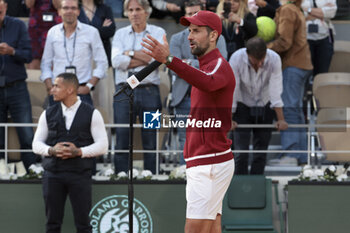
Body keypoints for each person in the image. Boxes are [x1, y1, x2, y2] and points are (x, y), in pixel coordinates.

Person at [142, 10, 235, 233]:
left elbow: (208, 82)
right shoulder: (206, 66)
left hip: (208, 162)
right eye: (189, 31)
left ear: (213, 36)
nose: (189, 36)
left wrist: (169, 60)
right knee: (211, 228)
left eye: (196, 31)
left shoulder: (218, 66)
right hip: (207, 161)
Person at [32, 72, 108, 233]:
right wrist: (51, 150)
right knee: (52, 224)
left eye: (56, 86)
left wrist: (79, 151)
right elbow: (36, 144)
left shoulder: (92, 113)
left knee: (83, 225)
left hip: (80, 175)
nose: (52, 90)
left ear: (70, 90)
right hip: (52, 174)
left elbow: (103, 145)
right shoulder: (47, 113)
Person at [169, 0, 227, 165]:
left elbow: (219, 66)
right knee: (184, 140)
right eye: (188, 14)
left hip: (210, 98)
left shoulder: (216, 37)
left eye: (195, 14)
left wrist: (187, 64)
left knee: (209, 140)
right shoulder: (176, 38)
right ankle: (185, 177)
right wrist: (199, 66)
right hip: (183, 98)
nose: (191, 17)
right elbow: (174, 68)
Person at [111, 0, 165, 174]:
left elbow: (157, 60)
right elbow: (116, 61)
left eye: (138, 9)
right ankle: (120, 176)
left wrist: (130, 53)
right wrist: (144, 57)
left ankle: (152, 176)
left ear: (147, 12)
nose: (134, 13)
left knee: (151, 137)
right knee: (122, 137)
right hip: (124, 92)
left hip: (150, 92)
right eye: (130, 10)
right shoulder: (120, 34)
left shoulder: (158, 32)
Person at [229, 37, 288, 175]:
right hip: (242, 104)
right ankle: (239, 187)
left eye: (262, 59)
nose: (260, 63)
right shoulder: (236, 58)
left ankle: (257, 187)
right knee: (240, 153)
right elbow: (232, 90)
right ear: (247, 54)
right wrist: (228, 118)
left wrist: (280, 119)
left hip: (265, 104)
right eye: (256, 60)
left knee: (260, 152)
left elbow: (276, 90)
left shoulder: (274, 59)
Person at [267, 0, 313, 165]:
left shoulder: (287, 10)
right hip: (301, 64)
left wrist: (263, 49)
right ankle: (299, 156)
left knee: (289, 108)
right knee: (296, 109)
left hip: (293, 65)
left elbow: (284, 42)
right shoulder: (294, 8)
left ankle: (291, 154)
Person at [40, 0, 108, 107]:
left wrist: (89, 86)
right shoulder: (53, 32)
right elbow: (45, 63)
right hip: (58, 91)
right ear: (59, 11)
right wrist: (50, 87)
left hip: (81, 91)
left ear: (78, 11)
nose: (69, 11)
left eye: (73, 8)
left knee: (83, 123)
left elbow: (102, 63)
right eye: (66, 8)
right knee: (56, 123)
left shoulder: (91, 32)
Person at [0, 0, 36, 171]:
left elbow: (29, 56)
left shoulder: (18, 25)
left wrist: (12, 51)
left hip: (17, 87)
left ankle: (31, 169)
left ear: (6, 7)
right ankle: (0, 168)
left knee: (26, 132)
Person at [301, 0, 337, 76]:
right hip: (304, 38)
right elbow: (297, 14)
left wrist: (307, 10)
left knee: (322, 72)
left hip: (325, 37)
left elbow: (331, 12)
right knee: (305, 73)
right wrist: (322, 11)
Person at [25, 0, 62, 69]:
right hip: (36, 24)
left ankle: (52, 79)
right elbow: (29, 4)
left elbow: (58, 5)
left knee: (55, 57)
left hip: (54, 22)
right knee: (34, 58)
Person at [78, 0, 116, 66]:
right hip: (81, 59)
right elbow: (76, 33)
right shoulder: (74, 8)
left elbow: (110, 31)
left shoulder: (105, 8)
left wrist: (85, 32)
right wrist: (101, 28)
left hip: (103, 57)